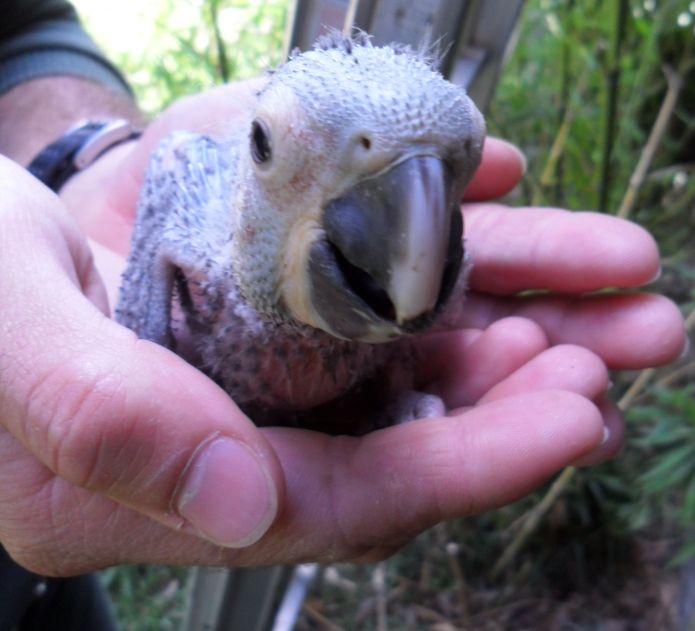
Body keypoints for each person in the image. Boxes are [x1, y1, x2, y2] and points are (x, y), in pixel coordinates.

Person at [0, 0, 686, 628]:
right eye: (270, 146)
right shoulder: (185, 242)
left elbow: (27, 29)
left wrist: (77, 162)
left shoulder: (419, 273)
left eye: (455, 165)